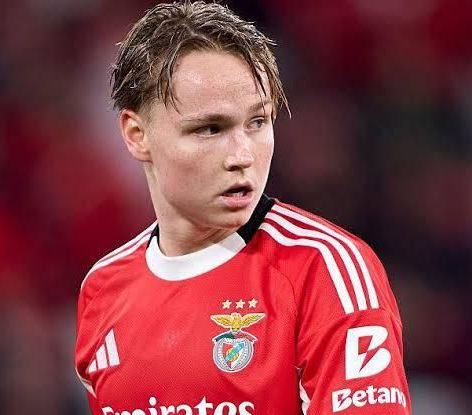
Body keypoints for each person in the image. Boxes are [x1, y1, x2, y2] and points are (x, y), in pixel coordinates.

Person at [74, 2, 410, 414]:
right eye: (210, 128)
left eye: (257, 122)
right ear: (137, 134)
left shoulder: (324, 269)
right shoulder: (102, 290)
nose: (242, 155)